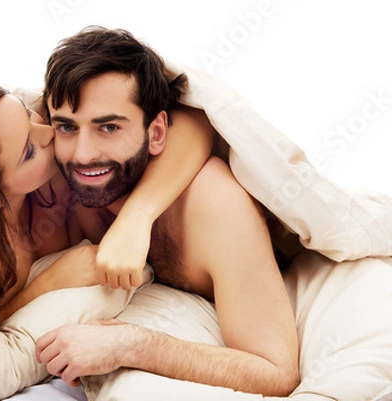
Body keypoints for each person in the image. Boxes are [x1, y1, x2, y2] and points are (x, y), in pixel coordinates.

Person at [35, 26, 300, 396]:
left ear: (157, 133)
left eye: (108, 127)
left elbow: (275, 372)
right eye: (66, 127)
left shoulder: (215, 204)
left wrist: (128, 346)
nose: (82, 155)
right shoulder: (54, 179)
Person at [0, 77, 213, 340]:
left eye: (26, 112)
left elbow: (195, 121)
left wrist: (135, 220)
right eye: (29, 152)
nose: (49, 132)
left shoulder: (58, 144)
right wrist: (47, 284)